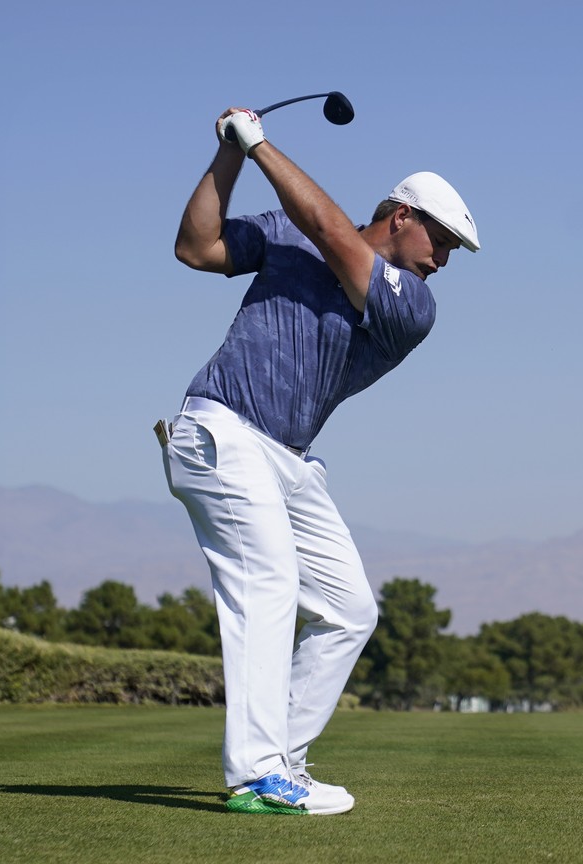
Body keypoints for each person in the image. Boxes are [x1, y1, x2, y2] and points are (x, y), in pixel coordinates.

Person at [159, 107, 480, 815]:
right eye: (443, 239)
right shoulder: (284, 237)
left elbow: (332, 232)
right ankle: (257, 776)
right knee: (269, 584)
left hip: (289, 458)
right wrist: (230, 158)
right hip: (225, 431)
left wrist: (260, 143)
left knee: (347, 608)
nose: (444, 259)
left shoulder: (412, 306)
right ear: (401, 215)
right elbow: (196, 246)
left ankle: (285, 760)